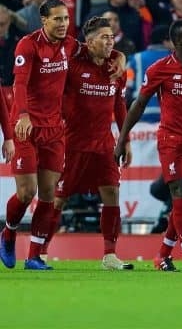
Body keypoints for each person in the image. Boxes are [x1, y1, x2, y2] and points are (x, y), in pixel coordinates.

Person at [0, 0, 123, 270]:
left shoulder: (70, 46)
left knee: (47, 194)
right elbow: (19, 84)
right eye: (57, 19)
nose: (63, 24)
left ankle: (33, 256)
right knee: (26, 192)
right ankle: (8, 232)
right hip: (27, 127)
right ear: (44, 20)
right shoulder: (28, 45)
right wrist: (22, 115)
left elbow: (98, 48)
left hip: (55, 130)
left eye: (66, 19)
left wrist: (120, 56)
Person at [114, 20, 182, 273]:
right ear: (180, 41)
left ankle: (162, 255)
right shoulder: (159, 69)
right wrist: (122, 139)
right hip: (171, 141)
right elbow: (138, 104)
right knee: (180, 192)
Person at [41, 17, 133, 270]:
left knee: (112, 194)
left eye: (111, 37)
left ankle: (110, 255)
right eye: (104, 37)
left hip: (104, 144)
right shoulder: (72, 65)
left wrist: (124, 140)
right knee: (58, 199)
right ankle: (41, 251)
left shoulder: (115, 69)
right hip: (72, 144)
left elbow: (120, 106)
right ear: (89, 43)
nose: (109, 42)